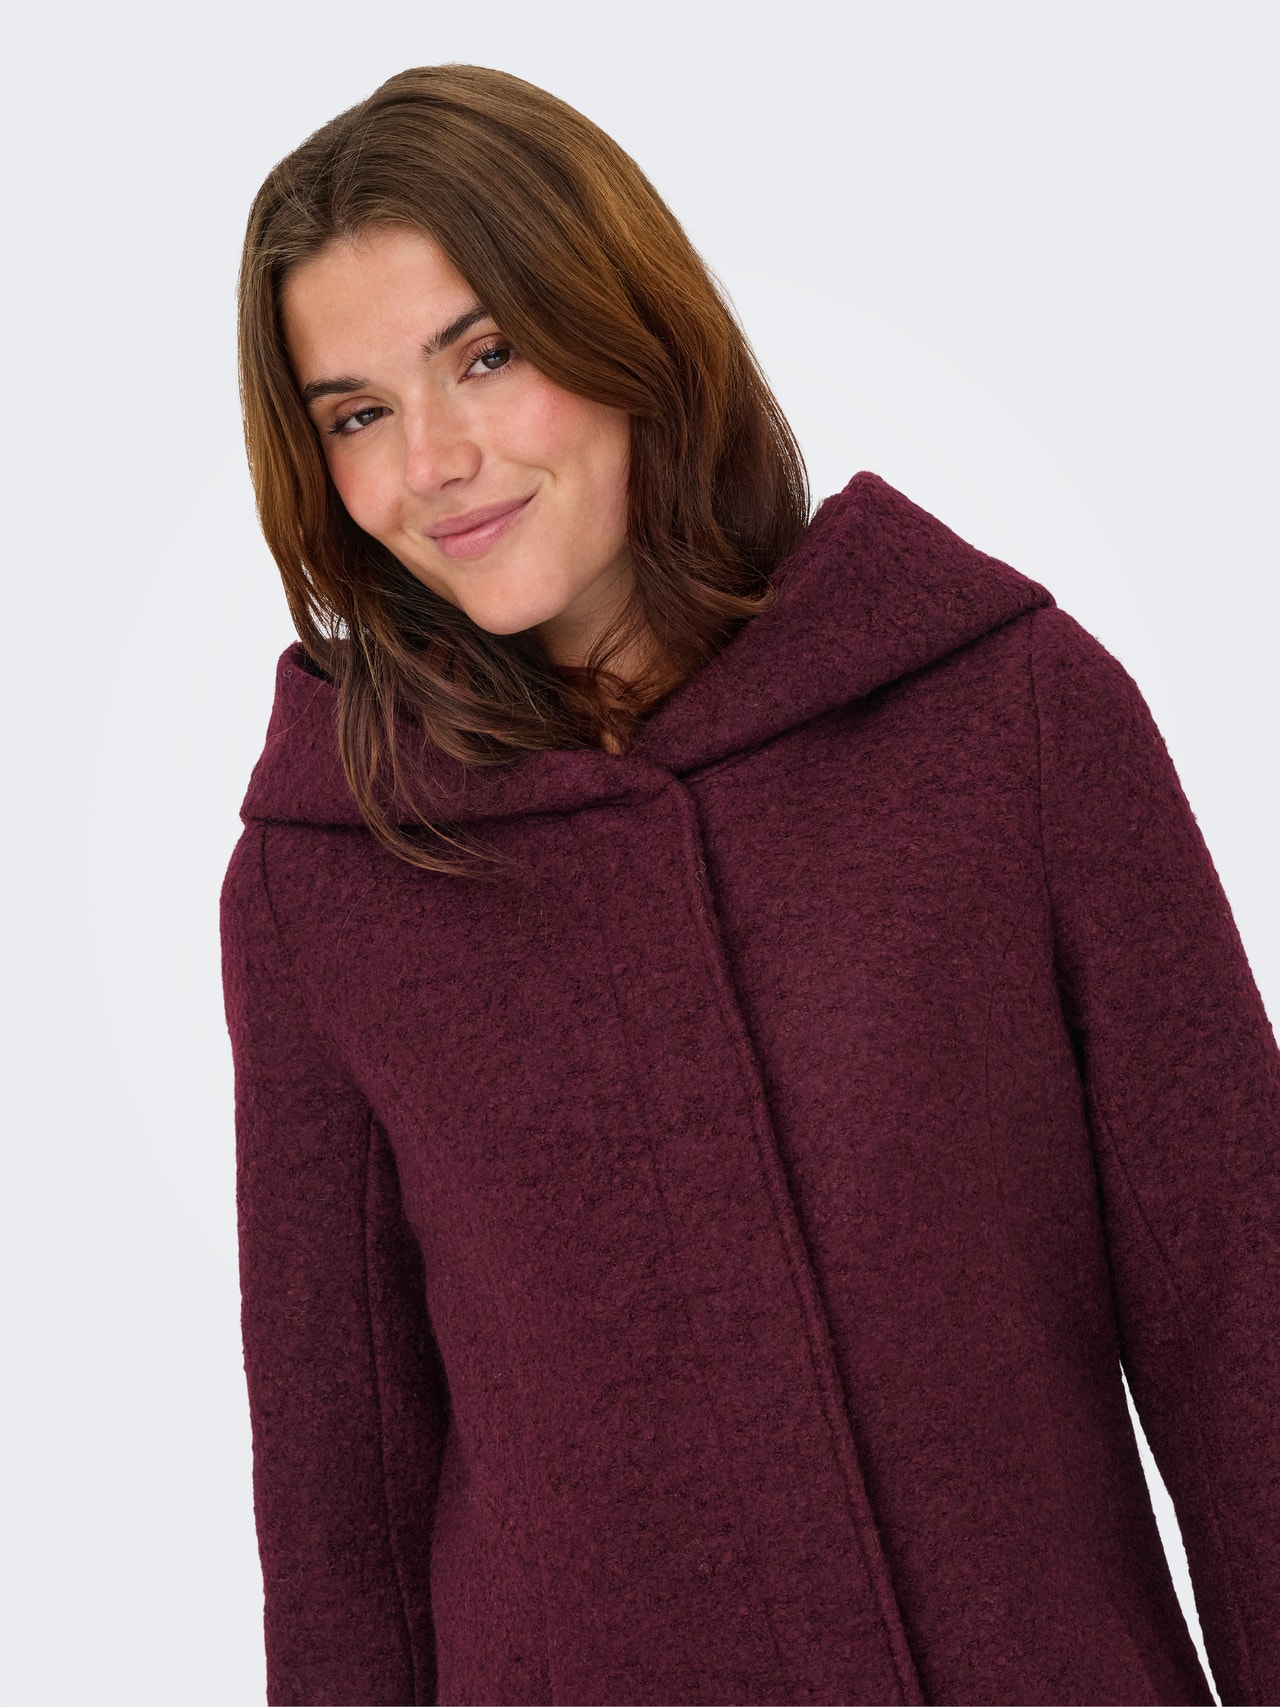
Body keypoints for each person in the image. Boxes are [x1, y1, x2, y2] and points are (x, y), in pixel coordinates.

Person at [221, 64, 1279, 1707]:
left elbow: (1242, 1326)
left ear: (628, 330)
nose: (434, 461)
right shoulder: (327, 879)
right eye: (355, 413)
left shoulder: (1010, 718)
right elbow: (341, 1513)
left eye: (485, 356)